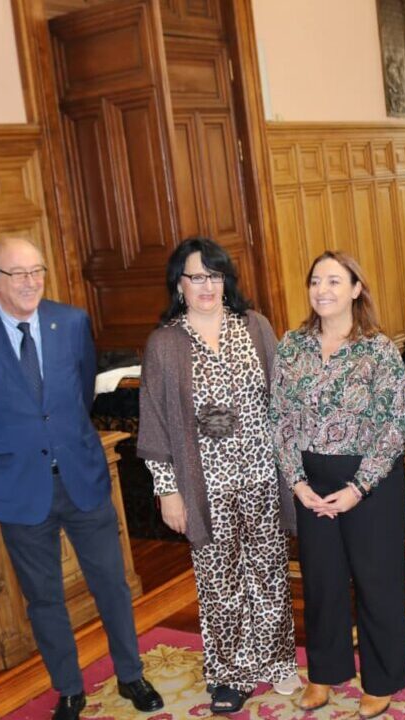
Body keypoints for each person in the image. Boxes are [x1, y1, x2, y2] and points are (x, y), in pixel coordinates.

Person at [0, 238, 163, 720]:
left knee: (111, 584)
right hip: (20, 489)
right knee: (44, 599)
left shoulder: (70, 323)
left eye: (37, 271)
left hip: (82, 477)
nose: (29, 282)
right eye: (17, 273)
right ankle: (69, 689)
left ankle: (131, 675)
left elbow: (81, 389)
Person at [136, 238, 299, 714]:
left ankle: (278, 660)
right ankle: (228, 673)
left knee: (269, 571)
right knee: (217, 579)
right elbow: (156, 426)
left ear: (225, 280)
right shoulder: (165, 343)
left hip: (261, 477)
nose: (206, 286)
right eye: (195, 277)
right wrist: (168, 491)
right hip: (203, 484)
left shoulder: (255, 326)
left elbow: (282, 400)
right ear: (179, 284)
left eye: (214, 275)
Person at [270, 251, 405, 719]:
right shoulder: (291, 345)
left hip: (368, 481)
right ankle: (325, 674)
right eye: (315, 281)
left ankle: (382, 679)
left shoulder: (378, 349)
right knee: (322, 581)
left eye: (334, 280)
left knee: (376, 582)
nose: (322, 290)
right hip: (311, 480)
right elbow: (281, 420)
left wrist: (358, 487)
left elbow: (394, 425)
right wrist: (297, 483)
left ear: (355, 288)